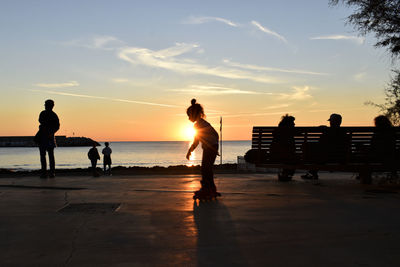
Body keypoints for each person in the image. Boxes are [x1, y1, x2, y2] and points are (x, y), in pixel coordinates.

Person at [186, 99, 220, 199]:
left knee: (205, 169)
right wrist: (215, 145)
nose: (188, 118)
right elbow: (215, 134)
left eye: (189, 116)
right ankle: (211, 189)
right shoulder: (205, 123)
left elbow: (196, 141)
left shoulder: (198, 125)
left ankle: (206, 189)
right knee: (208, 169)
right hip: (212, 147)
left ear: (194, 114)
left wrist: (190, 150)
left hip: (210, 148)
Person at [302, 113, 350, 180]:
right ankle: (312, 172)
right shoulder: (344, 133)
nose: (330, 122)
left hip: (325, 158)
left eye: (330, 121)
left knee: (311, 148)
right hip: (341, 158)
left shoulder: (327, 132)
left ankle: (312, 172)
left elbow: (320, 144)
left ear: (332, 122)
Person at [36, 99, 60, 178]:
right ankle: (47, 173)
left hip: (48, 137)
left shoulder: (52, 115)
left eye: (46, 104)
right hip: (44, 136)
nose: (45, 106)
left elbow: (57, 126)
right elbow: (40, 120)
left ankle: (49, 173)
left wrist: (50, 132)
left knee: (48, 156)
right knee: (46, 156)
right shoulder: (46, 114)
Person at [270, 114, 296, 181]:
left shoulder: (276, 132)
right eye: (293, 123)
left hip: (274, 156)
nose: (294, 124)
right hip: (289, 157)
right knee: (290, 156)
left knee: (287, 155)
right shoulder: (291, 134)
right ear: (289, 124)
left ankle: (285, 174)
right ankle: (286, 174)